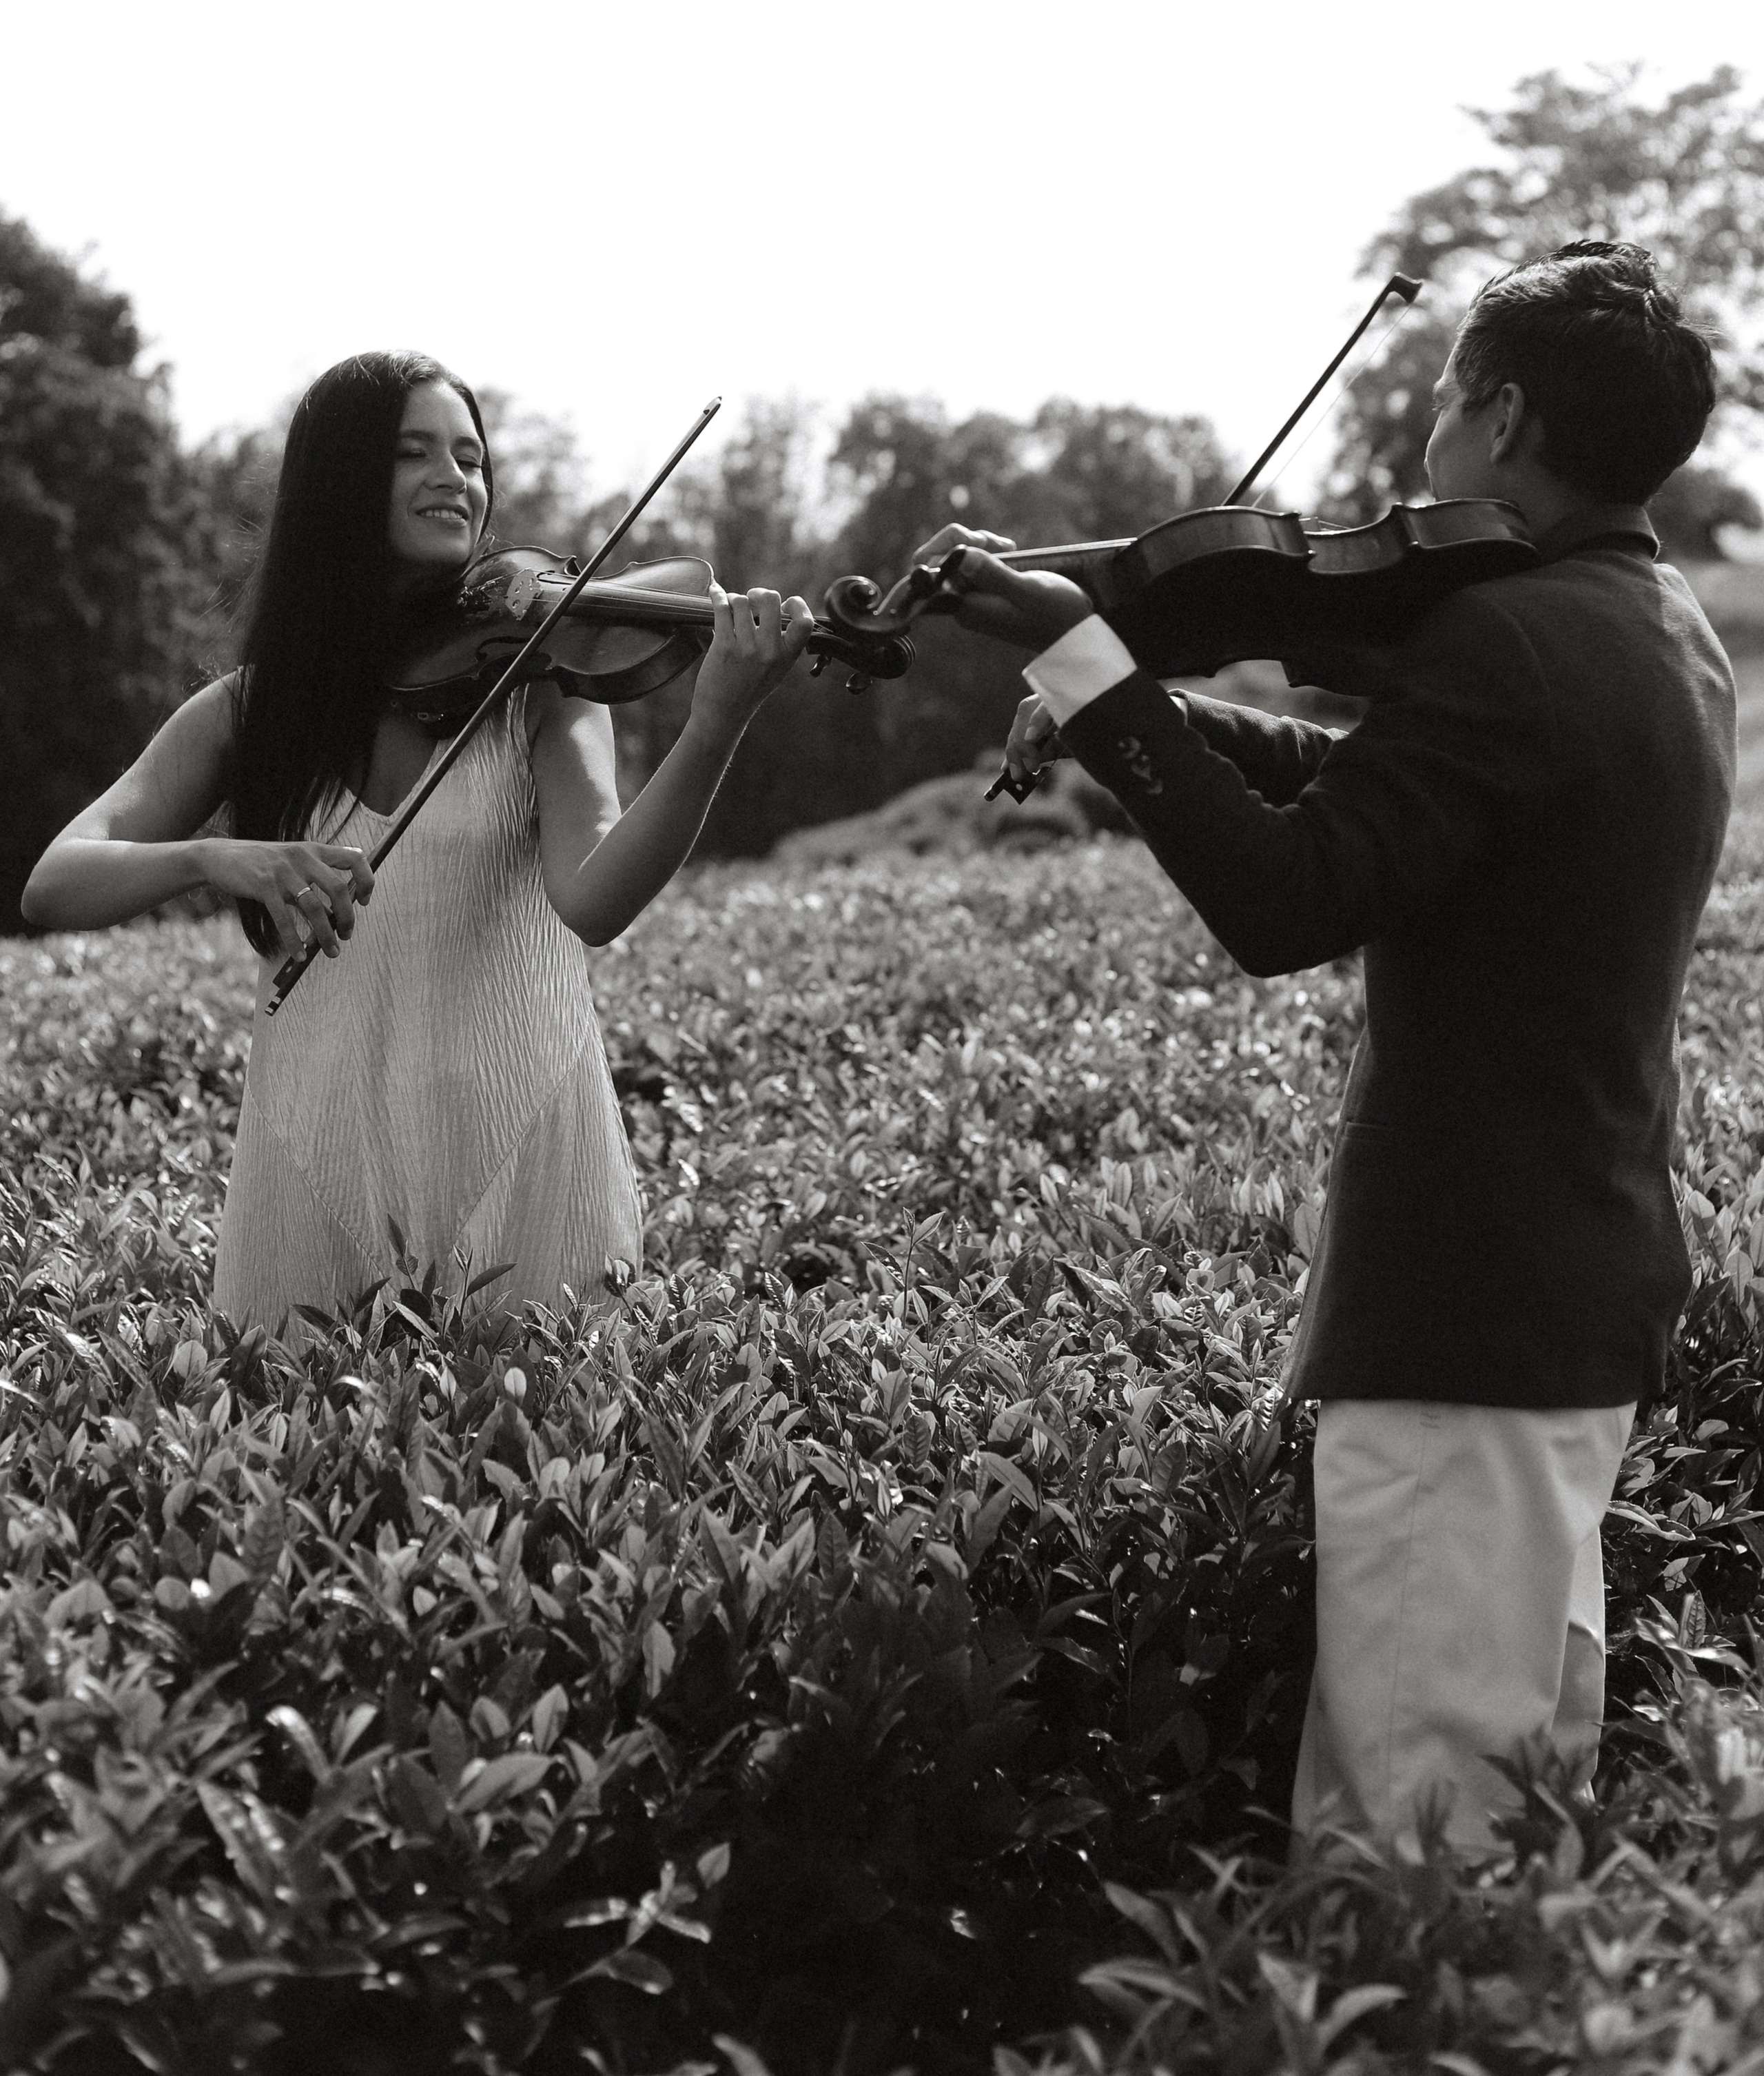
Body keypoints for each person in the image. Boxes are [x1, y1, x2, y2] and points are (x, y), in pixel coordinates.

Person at [912, 243, 1736, 1851]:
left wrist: (1089, 658)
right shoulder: (1649, 622)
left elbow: (1292, 897)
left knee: (1403, 1843)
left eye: (1441, 402)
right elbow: (1393, 785)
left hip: (1469, 1324)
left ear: (1498, 415)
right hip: (1567, 1300)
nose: (1424, 445)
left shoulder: (1502, 640)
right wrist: (1134, 709)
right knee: (1502, 1814)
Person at [23, 352, 812, 1330]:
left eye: (472, 458)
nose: (458, 479)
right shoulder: (250, 713)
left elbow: (597, 896)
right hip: (315, 1156)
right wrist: (215, 855)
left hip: (525, 1149)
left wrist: (715, 724)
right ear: (341, 481)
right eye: (415, 453)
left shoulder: (542, 681)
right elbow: (54, 883)